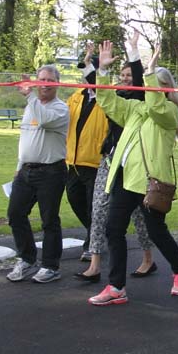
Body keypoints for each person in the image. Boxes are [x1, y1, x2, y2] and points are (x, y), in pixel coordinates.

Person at [88, 41, 178, 306]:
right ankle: (116, 286)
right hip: (124, 178)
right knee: (114, 230)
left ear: (163, 88)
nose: (146, 88)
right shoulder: (135, 109)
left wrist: (148, 69)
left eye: (152, 83)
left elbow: (156, 105)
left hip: (149, 183)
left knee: (157, 232)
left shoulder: (168, 112)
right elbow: (107, 101)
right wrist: (101, 71)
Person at [80, 32, 154, 282]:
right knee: (98, 208)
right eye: (121, 75)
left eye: (129, 76)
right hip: (110, 159)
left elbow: (141, 83)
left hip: (133, 163)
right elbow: (97, 87)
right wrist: (94, 64)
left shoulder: (140, 99)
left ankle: (147, 258)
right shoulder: (116, 98)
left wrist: (134, 53)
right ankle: (95, 263)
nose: (124, 79)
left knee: (139, 216)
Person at [6, 65, 70, 283]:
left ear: (57, 84)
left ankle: (51, 266)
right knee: (15, 214)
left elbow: (43, 119)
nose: (44, 84)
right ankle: (27, 259)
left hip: (51, 172)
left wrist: (29, 95)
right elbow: (26, 139)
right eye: (41, 79)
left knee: (49, 219)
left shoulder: (60, 109)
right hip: (26, 170)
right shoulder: (31, 107)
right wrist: (19, 165)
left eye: (49, 80)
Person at [65, 51, 109, 263]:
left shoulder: (108, 96)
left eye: (88, 70)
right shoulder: (76, 97)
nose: (84, 76)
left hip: (96, 162)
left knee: (95, 206)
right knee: (76, 201)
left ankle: (93, 244)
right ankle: (98, 234)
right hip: (74, 162)